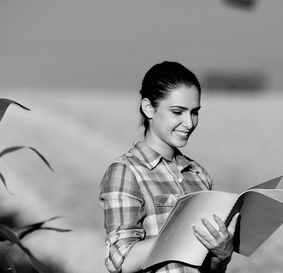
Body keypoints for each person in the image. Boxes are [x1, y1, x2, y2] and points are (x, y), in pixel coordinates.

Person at [99, 61, 240, 273]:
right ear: (149, 108)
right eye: (178, 112)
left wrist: (222, 254)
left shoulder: (199, 175)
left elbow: (209, 268)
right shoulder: (126, 171)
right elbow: (122, 261)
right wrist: (182, 233)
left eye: (194, 112)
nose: (190, 123)